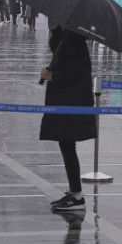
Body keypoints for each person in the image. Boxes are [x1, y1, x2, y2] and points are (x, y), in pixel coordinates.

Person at [40, 25, 96, 212]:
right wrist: (57, 33)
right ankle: (74, 192)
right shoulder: (70, 36)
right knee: (66, 144)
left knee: (67, 144)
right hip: (69, 100)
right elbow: (62, 55)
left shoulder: (74, 38)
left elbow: (76, 71)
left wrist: (53, 76)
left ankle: (77, 197)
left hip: (72, 101)